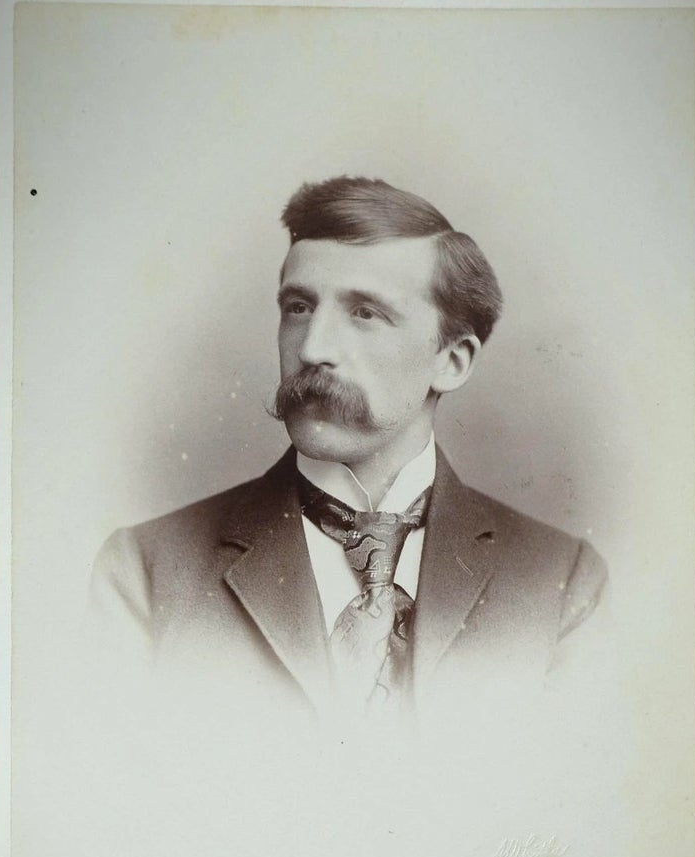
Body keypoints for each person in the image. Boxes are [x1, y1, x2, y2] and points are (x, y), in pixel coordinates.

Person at [90, 176, 605, 721]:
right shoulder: (145, 574)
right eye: (298, 308)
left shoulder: (562, 584)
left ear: (452, 361)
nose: (313, 348)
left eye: (365, 313)